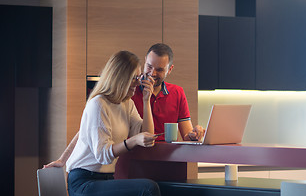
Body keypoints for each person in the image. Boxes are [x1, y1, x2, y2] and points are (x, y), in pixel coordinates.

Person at [44, 43, 205, 169]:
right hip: (131, 162)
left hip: (168, 162)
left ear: (169, 69)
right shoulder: (128, 93)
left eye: (159, 69)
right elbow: (88, 130)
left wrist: (195, 135)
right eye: (149, 66)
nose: (152, 73)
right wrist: (63, 159)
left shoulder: (177, 92)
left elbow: (186, 135)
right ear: (145, 61)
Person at [65, 50, 162, 196]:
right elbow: (102, 155)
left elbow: (146, 136)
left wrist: (146, 101)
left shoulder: (127, 104)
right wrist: (132, 141)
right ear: (120, 77)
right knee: (149, 188)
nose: (137, 83)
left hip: (107, 182)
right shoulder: (98, 105)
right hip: (84, 186)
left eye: (139, 77)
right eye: (134, 78)